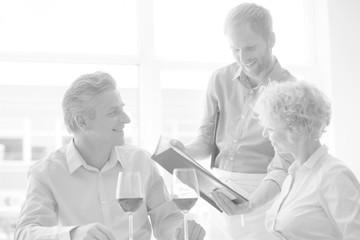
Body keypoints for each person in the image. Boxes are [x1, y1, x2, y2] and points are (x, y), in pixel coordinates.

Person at [14, 72, 206, 240]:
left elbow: (167, 218)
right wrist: (73, 235)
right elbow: (25, 233)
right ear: (82, 121)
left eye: (122, 108)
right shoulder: (46, 172)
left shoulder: (141, 161)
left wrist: (177, 231)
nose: (126, 119)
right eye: (114, 112)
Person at [171, 3, 296, 239]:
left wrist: (252, 203)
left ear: (271, 39)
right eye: (235, 49)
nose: (242, 58)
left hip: (263, 193)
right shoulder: (219, 79)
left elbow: (284, 164)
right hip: (216, 190)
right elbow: (207, 138)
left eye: (249, 47)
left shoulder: (290, 90)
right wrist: (185, 150)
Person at [252, 80, 360, 239]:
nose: (264, 135)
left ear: (296, 128)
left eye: (271, 129)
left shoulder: (334, 175)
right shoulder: (292, 176)